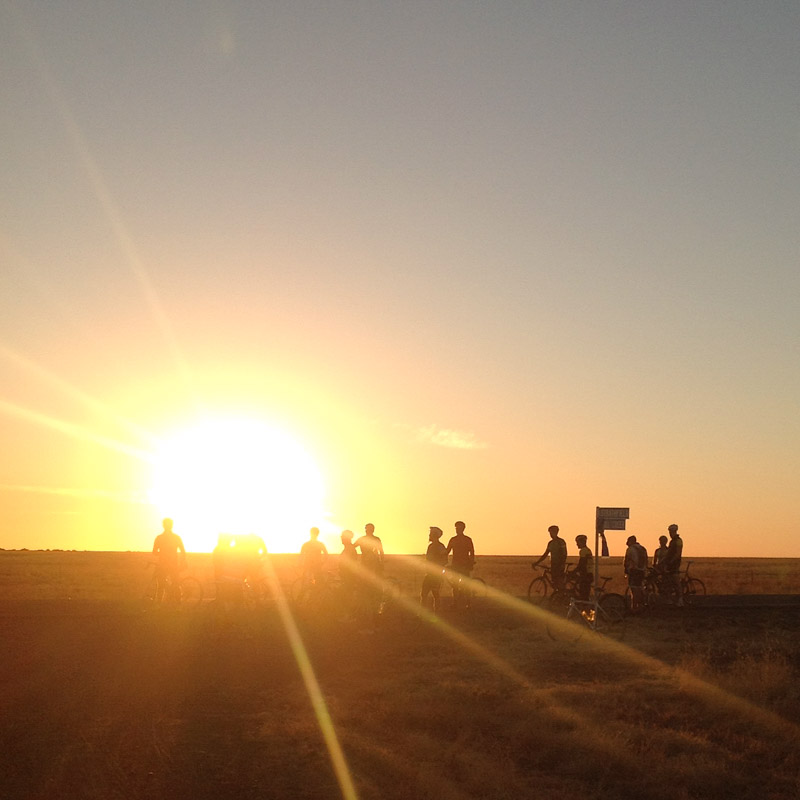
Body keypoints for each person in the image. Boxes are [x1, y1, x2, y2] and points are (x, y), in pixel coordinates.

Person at [354, 523, 385, 621]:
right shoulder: (375, 539)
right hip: (371, 565)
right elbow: (381, 552)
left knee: (368, 587)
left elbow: (353, 546)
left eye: (367, 529)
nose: (367, 531)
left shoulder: (365, 539)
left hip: (369, 565)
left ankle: (369, 611)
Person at [152, 518, 186, 602]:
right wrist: (182, 561)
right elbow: (183, 551)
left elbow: (154, 552)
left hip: (163, 564)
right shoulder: (176, 537)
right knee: (175, 583)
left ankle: (159, 603)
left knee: (161, 584)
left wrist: (162, 553)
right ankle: (178, 604)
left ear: (163, 525)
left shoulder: (159, 538)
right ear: (172, 525)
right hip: (173, 564)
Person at [446, 520, 476, 609]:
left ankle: (468, 603)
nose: (457, 530)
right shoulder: (454, 540)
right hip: (456, 565)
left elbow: (472, 552)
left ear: (462, 529)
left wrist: (471, 562)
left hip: (464, 565)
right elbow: (447, 551)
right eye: (456, 528)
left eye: (458, 528)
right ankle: (456, 603)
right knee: (455, 585)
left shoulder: (466, 540)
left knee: (465, 585)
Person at [420, 526, 448, 612]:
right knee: (425, 594)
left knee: (434, 594)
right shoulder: (432, 546)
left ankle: (435, 612)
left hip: (435, 575)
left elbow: (444, 560)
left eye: (431, 534)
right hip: (430, 574)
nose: (429, 535)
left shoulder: (439, 546)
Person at [534, 525, 567, 594]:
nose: (551, 534)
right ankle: (558, 595)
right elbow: (545, 554)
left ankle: (563, 595)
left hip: (559, 565)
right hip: (553, 564)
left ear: (556, 532)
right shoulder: (550, 543)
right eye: (550, 533)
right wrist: (537, 562)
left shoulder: (561, 542)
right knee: (554, 581)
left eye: (552, 532)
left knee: (559, 582)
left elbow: (564, 554)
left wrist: (562, 564)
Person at [624, 535, 648, 612]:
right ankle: (641, 606)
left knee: (633, 589)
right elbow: (646, 560)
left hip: (633, 571)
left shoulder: (630, 549)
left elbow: (627, 561)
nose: (626, 543)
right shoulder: (642, 548)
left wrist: (626, 570)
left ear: (631, 541)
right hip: (642, 571)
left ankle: (634, 607)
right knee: (639, 588)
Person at [663, 524, 684, 606]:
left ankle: (680, 599)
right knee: (668, 580)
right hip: (670, 563)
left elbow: (677, 553)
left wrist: (672, 561)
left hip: (675, 563)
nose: (670, 533)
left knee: (676, 581)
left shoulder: (678, 540)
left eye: (671, 532)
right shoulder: (672, 541)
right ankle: (670, 599)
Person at [571, 534, 593, 601]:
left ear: (582, 542)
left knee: (583, 595)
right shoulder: (588, 550)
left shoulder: (583, 551)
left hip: (585, 574)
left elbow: (582, 564)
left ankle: (587, 609)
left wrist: (573, 571)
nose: (577, 544)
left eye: (577, 542)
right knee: (585, 595)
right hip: (590, 573)